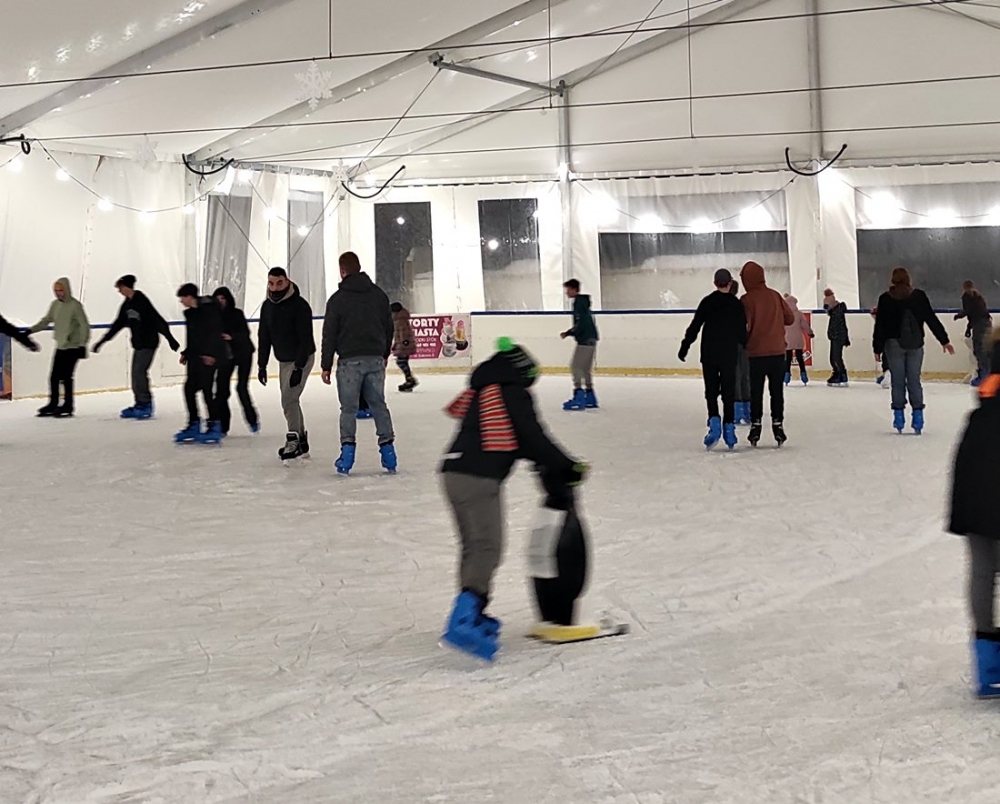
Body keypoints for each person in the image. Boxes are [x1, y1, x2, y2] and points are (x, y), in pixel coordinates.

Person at [440, 337, 585, 661]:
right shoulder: (511, 392)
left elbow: (518, 441)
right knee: (488, 547)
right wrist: (566, 465)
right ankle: (464, 619)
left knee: (473, 546)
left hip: (452, 473)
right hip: (477, 479)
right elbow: (532, 437)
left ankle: (473, 610)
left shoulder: (483, 391)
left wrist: (547, 462)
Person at [949, 340, 1000, 697]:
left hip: (975, 503)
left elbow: (964, 464)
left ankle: (986, 665)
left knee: (983, 572)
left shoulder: (982, 409)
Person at [321, 251, 397, 475]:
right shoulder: (378, 295)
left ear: (343, 270)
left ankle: (347, 455)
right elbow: (388, 327)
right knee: (379, 405)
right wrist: (384, 352)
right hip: (375, 359)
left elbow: (329, 334)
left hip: (349, 361)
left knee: (348, 409)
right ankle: (389, 453)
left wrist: (326, 365)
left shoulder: (337, 300)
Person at [873, 267, 954, 434]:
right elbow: (931, 319)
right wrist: (944, 340)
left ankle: (899, 417)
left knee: (897, 381)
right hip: (916, 344)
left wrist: (877, 348)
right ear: (909, 279)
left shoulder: (885, 299)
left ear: (892, 280)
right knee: (914, 380)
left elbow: (880, 326)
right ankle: (918, 417)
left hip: (893, 345)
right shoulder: (918, 297)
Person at [92, 275, 180, 419]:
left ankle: (146, 404)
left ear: (127, 287)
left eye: (120, 288)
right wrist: (102, 341)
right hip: (139, 344)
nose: (119, 291)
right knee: (135, 374)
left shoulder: (142, 301)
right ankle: (140, 403)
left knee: (139, 372)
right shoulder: (127, 305)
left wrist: (170, 339)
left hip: (149, 343)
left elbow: (157, 320)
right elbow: (117, 324)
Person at [678, 268, 747, 450]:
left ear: (715, 283)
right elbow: (742, 333)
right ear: (730, 283)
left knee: (711, 391)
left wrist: (685, 346)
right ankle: (729, 429)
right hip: (728, 355)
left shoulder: (707, 302)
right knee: (728, 392)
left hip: (709, 353)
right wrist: (744, 344)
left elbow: (695, 326)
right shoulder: (736, 304)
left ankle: (714, 424)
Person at [258, 267, 316, 461]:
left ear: (287, 282)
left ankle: (293, 440)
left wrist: (299, 367)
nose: (275, 288)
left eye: (279, 283)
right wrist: (262, 365)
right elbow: (264, 337)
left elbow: (305, 338)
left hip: (302, 357)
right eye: (271, 283)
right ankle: (301, 441)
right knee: (290, 399)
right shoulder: (267, 307)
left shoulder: (300, 306)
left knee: (289, 399)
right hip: (283, 359)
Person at [739, 262, 794, 447]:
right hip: (777, 352)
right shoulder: (775, 295)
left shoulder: (746, 300)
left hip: (756, 354)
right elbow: (790, 318)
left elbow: (744, 326)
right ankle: (778, 425)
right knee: (776, 392)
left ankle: (756, 426)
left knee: (756, 392)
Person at [174, 284, 227, 445]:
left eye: (182, 298)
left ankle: (214, 424)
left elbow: (214, 333)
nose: (181, 301)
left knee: (206, 390)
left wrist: (210, 354)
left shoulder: (209, 310)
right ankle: (194, 423)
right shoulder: (191, 314)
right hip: (196, 357)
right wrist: (186, 353)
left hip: (210, 357)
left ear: (190, 297)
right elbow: (194, 337)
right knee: (189, 388)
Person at [31, 277, 90, 418]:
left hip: (73, 347)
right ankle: (53, 403)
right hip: (61, 346)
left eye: (61, 290)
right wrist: (30, 330)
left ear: (66, 290)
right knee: (54, 377)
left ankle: (68, 405)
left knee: (66, 377)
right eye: (56, 291)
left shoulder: (75, 306)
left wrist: (82, 344)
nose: (58, 293)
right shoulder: (55, 305)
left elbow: (84, 325)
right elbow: (46, 320)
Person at [213, 287, 259, 435]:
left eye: (223, 298)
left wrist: (231, 336)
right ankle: (223, 425)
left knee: (241, 387)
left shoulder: (236, 313)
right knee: (221, 389)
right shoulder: (213, 316)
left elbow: (245, 333)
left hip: (244, 353)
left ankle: (252, 420)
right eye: (217, 299)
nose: (220, 302)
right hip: (226, 356)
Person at [560, 279, 600, 411]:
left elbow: (581, 323)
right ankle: (590, 395)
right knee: (585, 369)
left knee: (575, 367)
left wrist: (569, 332)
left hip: (585, 340)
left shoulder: (578, 303)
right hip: (591, 339)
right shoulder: (583, 303)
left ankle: (579, 396)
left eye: (568, 289)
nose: (566, 292)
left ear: (574, 289)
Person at [955, 280, 992, 386]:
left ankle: (984, 374)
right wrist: (968, 328)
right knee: (984, 349)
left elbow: (969, 311)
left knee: (979, 350)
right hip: (986, 323)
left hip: (980, 325)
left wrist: (959, 315)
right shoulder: (978, 296)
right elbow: (976, 313)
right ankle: (986, 372)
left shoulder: (967, 297)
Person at [729, 280, 752, 425]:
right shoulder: (741, 305)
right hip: (744, 344)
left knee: (734, 378)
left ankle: (736, 412)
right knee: (745, 377)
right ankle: (747, 411)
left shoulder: (722, 305)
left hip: (730, 346)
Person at [783, 295, 814, 386]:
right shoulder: (799, 314)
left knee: (787, 359)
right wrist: (810, 333)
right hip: (798, 339)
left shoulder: (783, 314)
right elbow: (805, 325)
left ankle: (786, 376)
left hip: (787, 339)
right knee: (800, 358)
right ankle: (803, 375)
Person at [823, 288, 851, 387]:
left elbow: (838, 326)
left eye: (826, 306)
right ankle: (839, 373)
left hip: (838, 336)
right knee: (834, 357)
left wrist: (835, 335)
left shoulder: (837, 312)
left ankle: (840, 374)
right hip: (836, 336)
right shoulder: (835, 312)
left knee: (835, 357)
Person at [391, 302, 418, 392]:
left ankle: (410, 380)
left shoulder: (400, 320)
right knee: (402, 362)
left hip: (404, 345)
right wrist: (396, 344)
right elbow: (398, 335)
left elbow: (403, 332)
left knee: (401, 362)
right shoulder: (399, 319)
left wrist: (404, 341)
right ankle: (409, 379)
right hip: (403, 344)